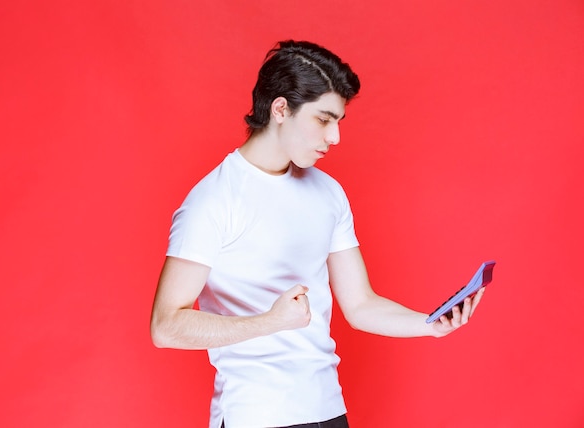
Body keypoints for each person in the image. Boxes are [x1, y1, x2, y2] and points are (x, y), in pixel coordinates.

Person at [150, 40, 485, 428]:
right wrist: (269, 322)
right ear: (280, 109)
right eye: (324, 120)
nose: (335, 137)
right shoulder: (214, 200)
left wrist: (430, 325)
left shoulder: (327, 192)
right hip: (255, 416)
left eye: (338, 121)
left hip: (327, 409)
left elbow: (360, 305)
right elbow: (166, 326)